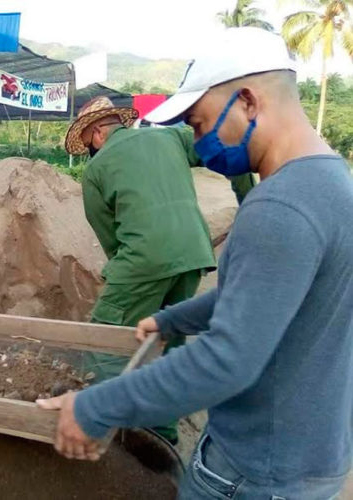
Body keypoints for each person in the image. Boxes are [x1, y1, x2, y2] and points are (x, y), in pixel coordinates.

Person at [38, 27, 353, 499]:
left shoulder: (278, 209)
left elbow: (227, 359)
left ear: (247, 100)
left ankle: (124, 439)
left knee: (107, 334)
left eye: (201, 122)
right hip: (308, 455)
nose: (198, 139)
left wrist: (94, 407)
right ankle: (157, 433)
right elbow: (261, 301)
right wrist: (172, 318)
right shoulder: (332, 181)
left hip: (249, 473)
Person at [64, 96, 222, 443]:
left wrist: (124, 275)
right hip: (194, 255)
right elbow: (215, 146)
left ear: (99, 133)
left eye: (89, 140)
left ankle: (99, 434)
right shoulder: (170, 137)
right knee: (168, 343)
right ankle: (160, 434)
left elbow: (110, 238)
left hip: (143, 258)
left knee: (103, 342)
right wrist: (249, 195)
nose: (90, 148)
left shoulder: (97, 168)